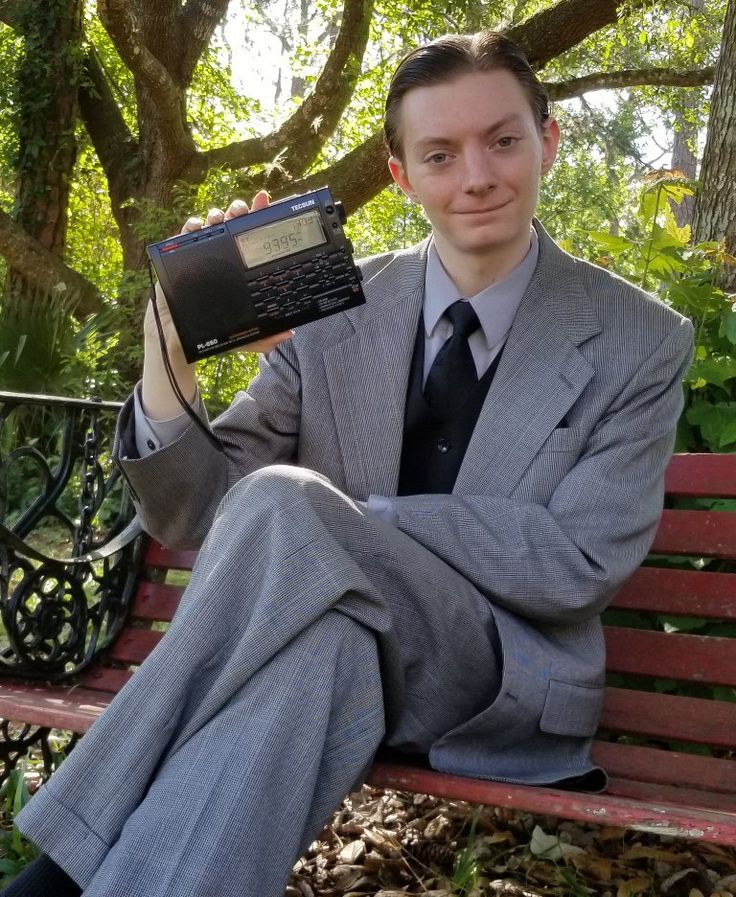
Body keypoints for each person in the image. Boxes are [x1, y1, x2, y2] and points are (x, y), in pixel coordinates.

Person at [6, 30, 693, 897]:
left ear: (547, 142)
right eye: (440, 154)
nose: (477, 175)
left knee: (289, 504)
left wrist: (361, 523)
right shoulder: (330, 303)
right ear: (401, 175)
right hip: (345, 652)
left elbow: (577, 563)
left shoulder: (640, 338)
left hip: (497, 678)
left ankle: (59, 863)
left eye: (503, 140)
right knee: (324, 639)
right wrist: (166, 354)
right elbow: (193, 514)